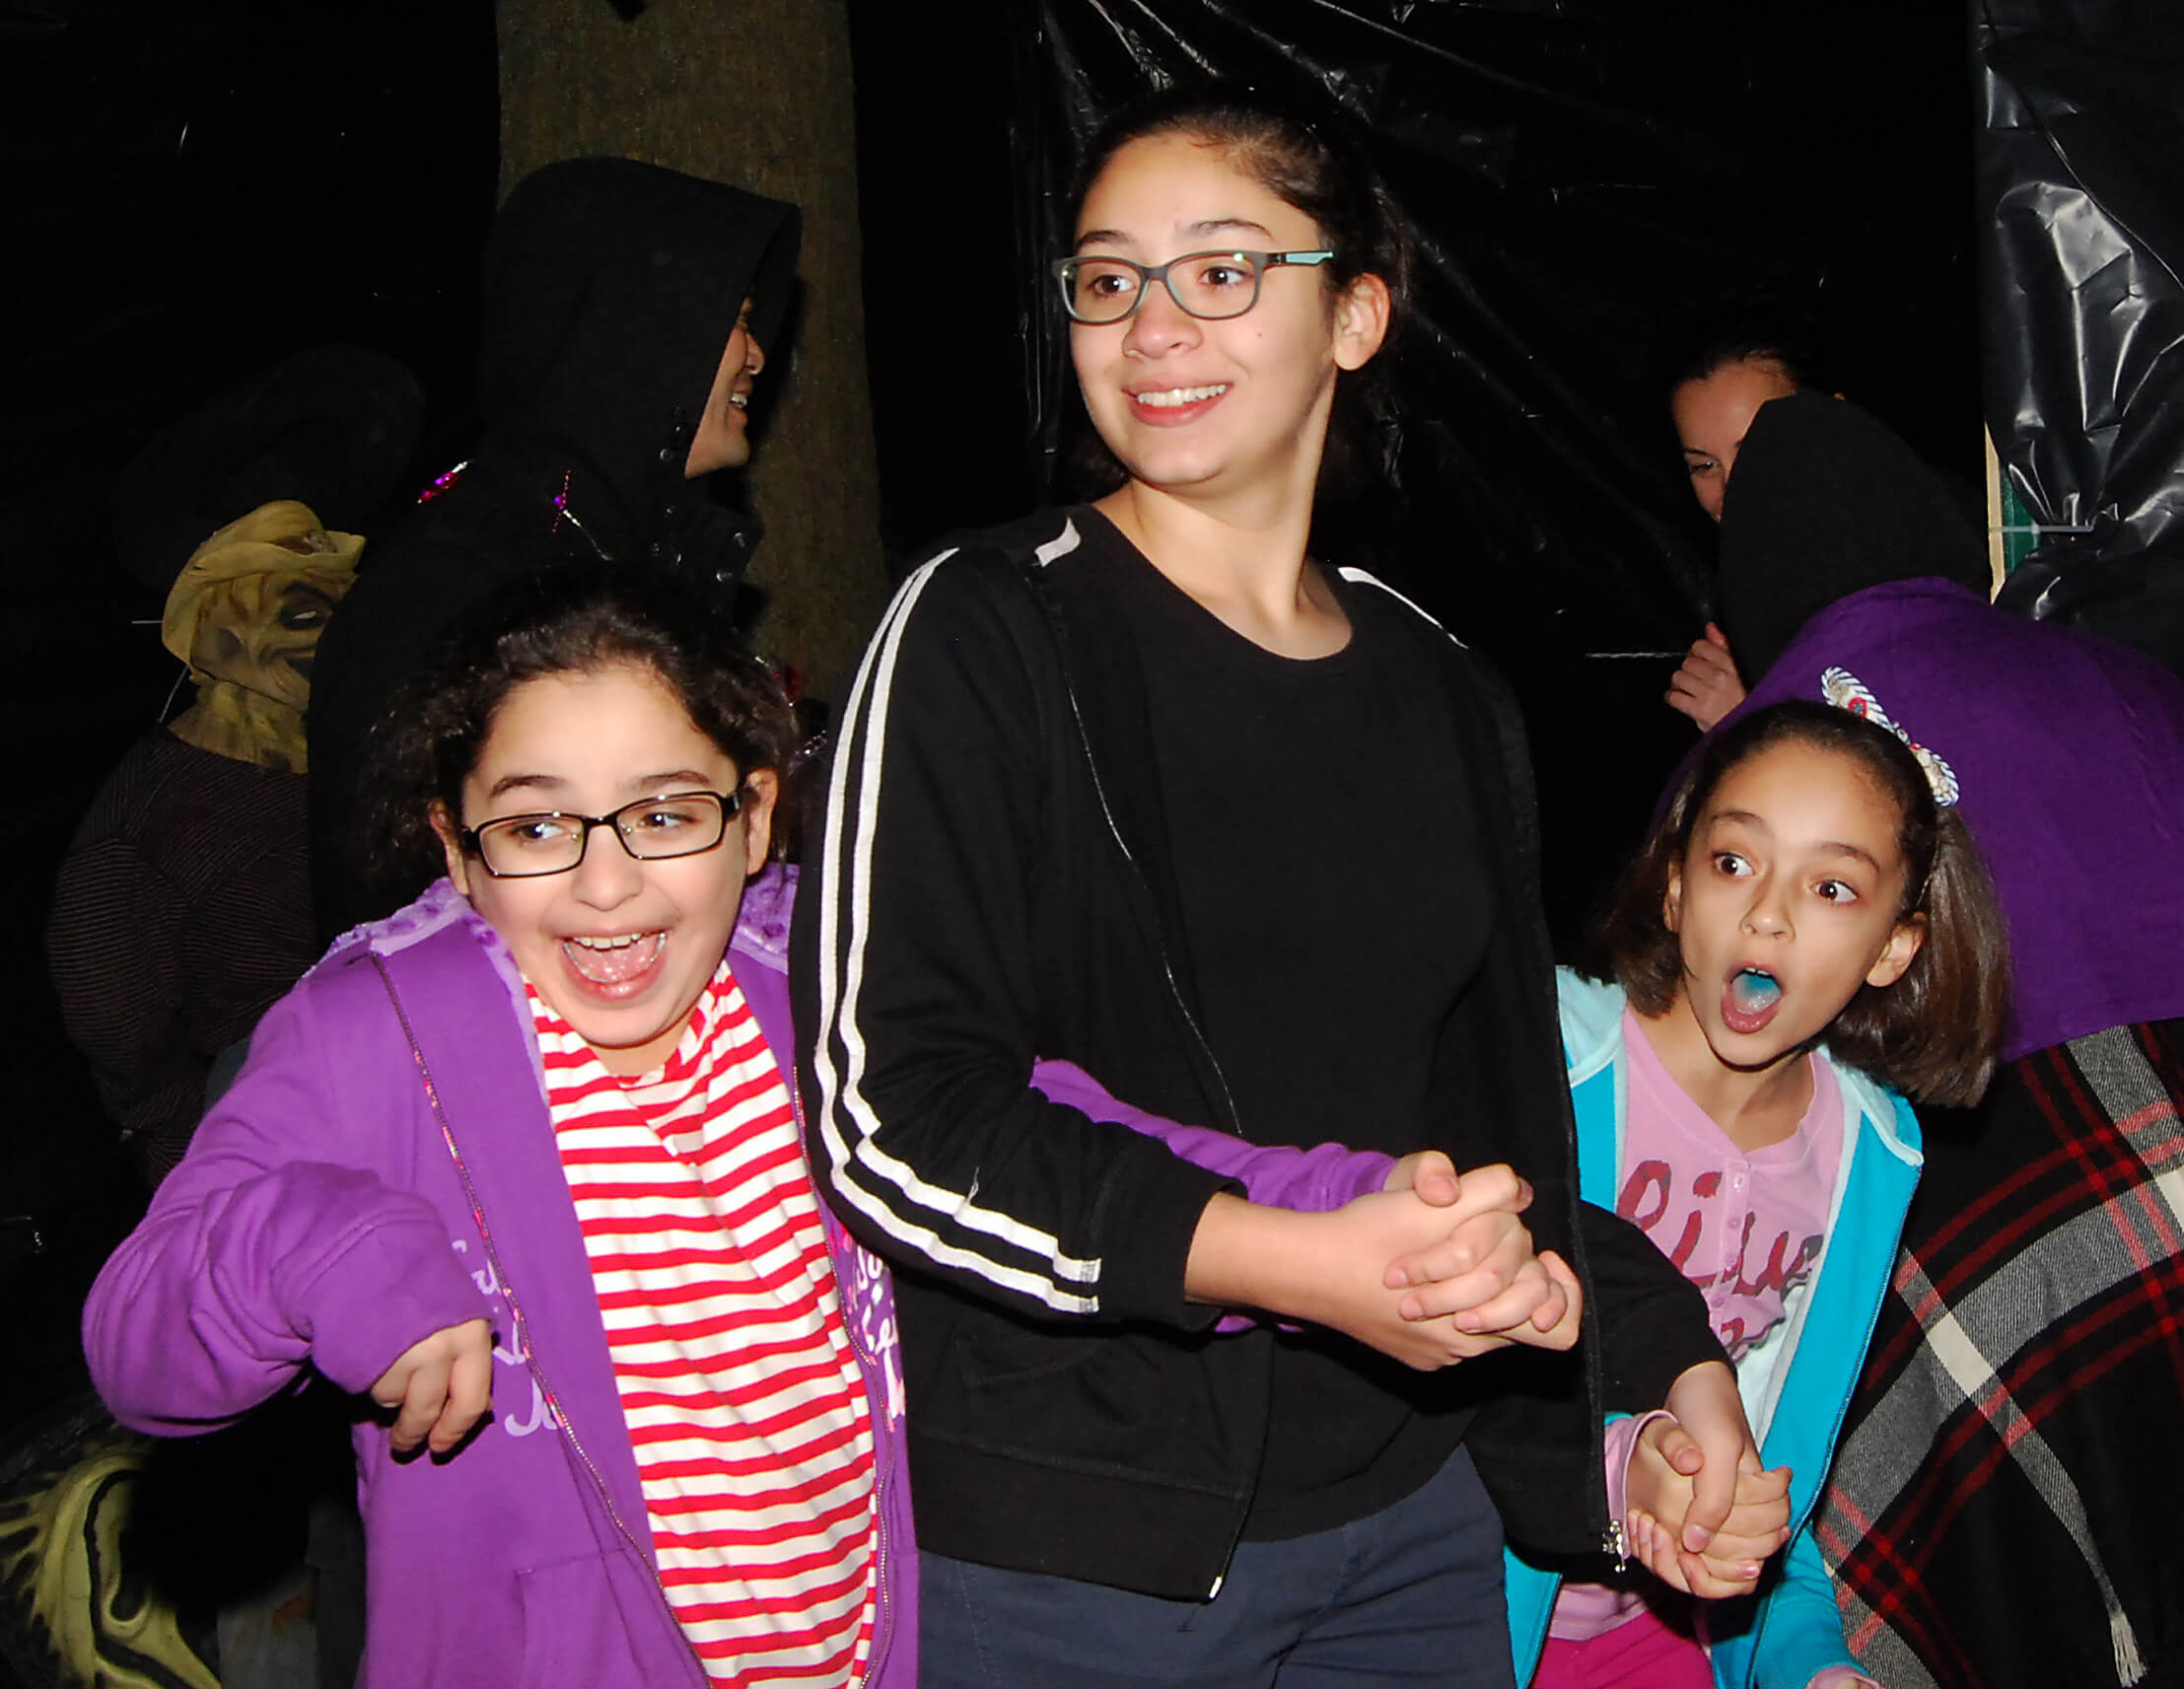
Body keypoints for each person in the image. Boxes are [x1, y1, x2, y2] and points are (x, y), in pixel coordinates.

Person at [81, 568, 1576, 1689]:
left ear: (754, 817)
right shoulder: (374, 1032)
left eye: (665, 814)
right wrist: (338, 1254)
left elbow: (1067, 1129)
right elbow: (139, 1339)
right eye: (535, 827)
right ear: (456, 850)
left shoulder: (816, 981)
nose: (605, 885)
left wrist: (1339, 1207)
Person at [794, 84, 1785, 1687]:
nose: (1151, 327)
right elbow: (888, 1113)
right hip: (1085, 1555)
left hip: (1413, 1530)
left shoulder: (1444, 688)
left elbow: (1490, 1143)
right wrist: (1284, 1260)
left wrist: (1663, 1385)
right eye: (1107, 278)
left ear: (1355, 314)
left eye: (1220, 269)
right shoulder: (986, 631)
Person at [1677, 390, 2184, 1688]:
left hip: (2005, 1201)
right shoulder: (2118, 677)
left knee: (2014, 1603)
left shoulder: (1764, 763)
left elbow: (1685, 1075)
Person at [1508, 698, 2008, 1689]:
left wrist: (1811, 1665)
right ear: (1673, 884)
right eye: (1734, 862)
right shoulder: (1542, 1057)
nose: (1767, 914)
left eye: (1831, 887)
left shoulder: (1868, 1149)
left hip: (1660, 1637)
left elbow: (1776, 1472)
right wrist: (1630, 1468)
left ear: (1893, 947)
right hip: (1467, 1612)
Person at [307, 157, 802, 932]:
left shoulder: (613, 549)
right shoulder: (459, 584)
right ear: (638, 334)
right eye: (732, 319)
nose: (757, 353)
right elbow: (413, 911)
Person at [49, 499, 363, 1180]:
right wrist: (210, 1151)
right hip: (263, 1154)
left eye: (345, 608)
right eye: (303, 613)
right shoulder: (147, 829)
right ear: (227, 628)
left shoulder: (345, 747)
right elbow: (118, 1030)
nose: (336, 636)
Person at [1661, 316, 1818, 731]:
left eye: (1759, 451)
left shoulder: (1907, 570)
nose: (1733, 492)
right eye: (1704, 466)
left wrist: (1748, 722)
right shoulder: (1748, 594)